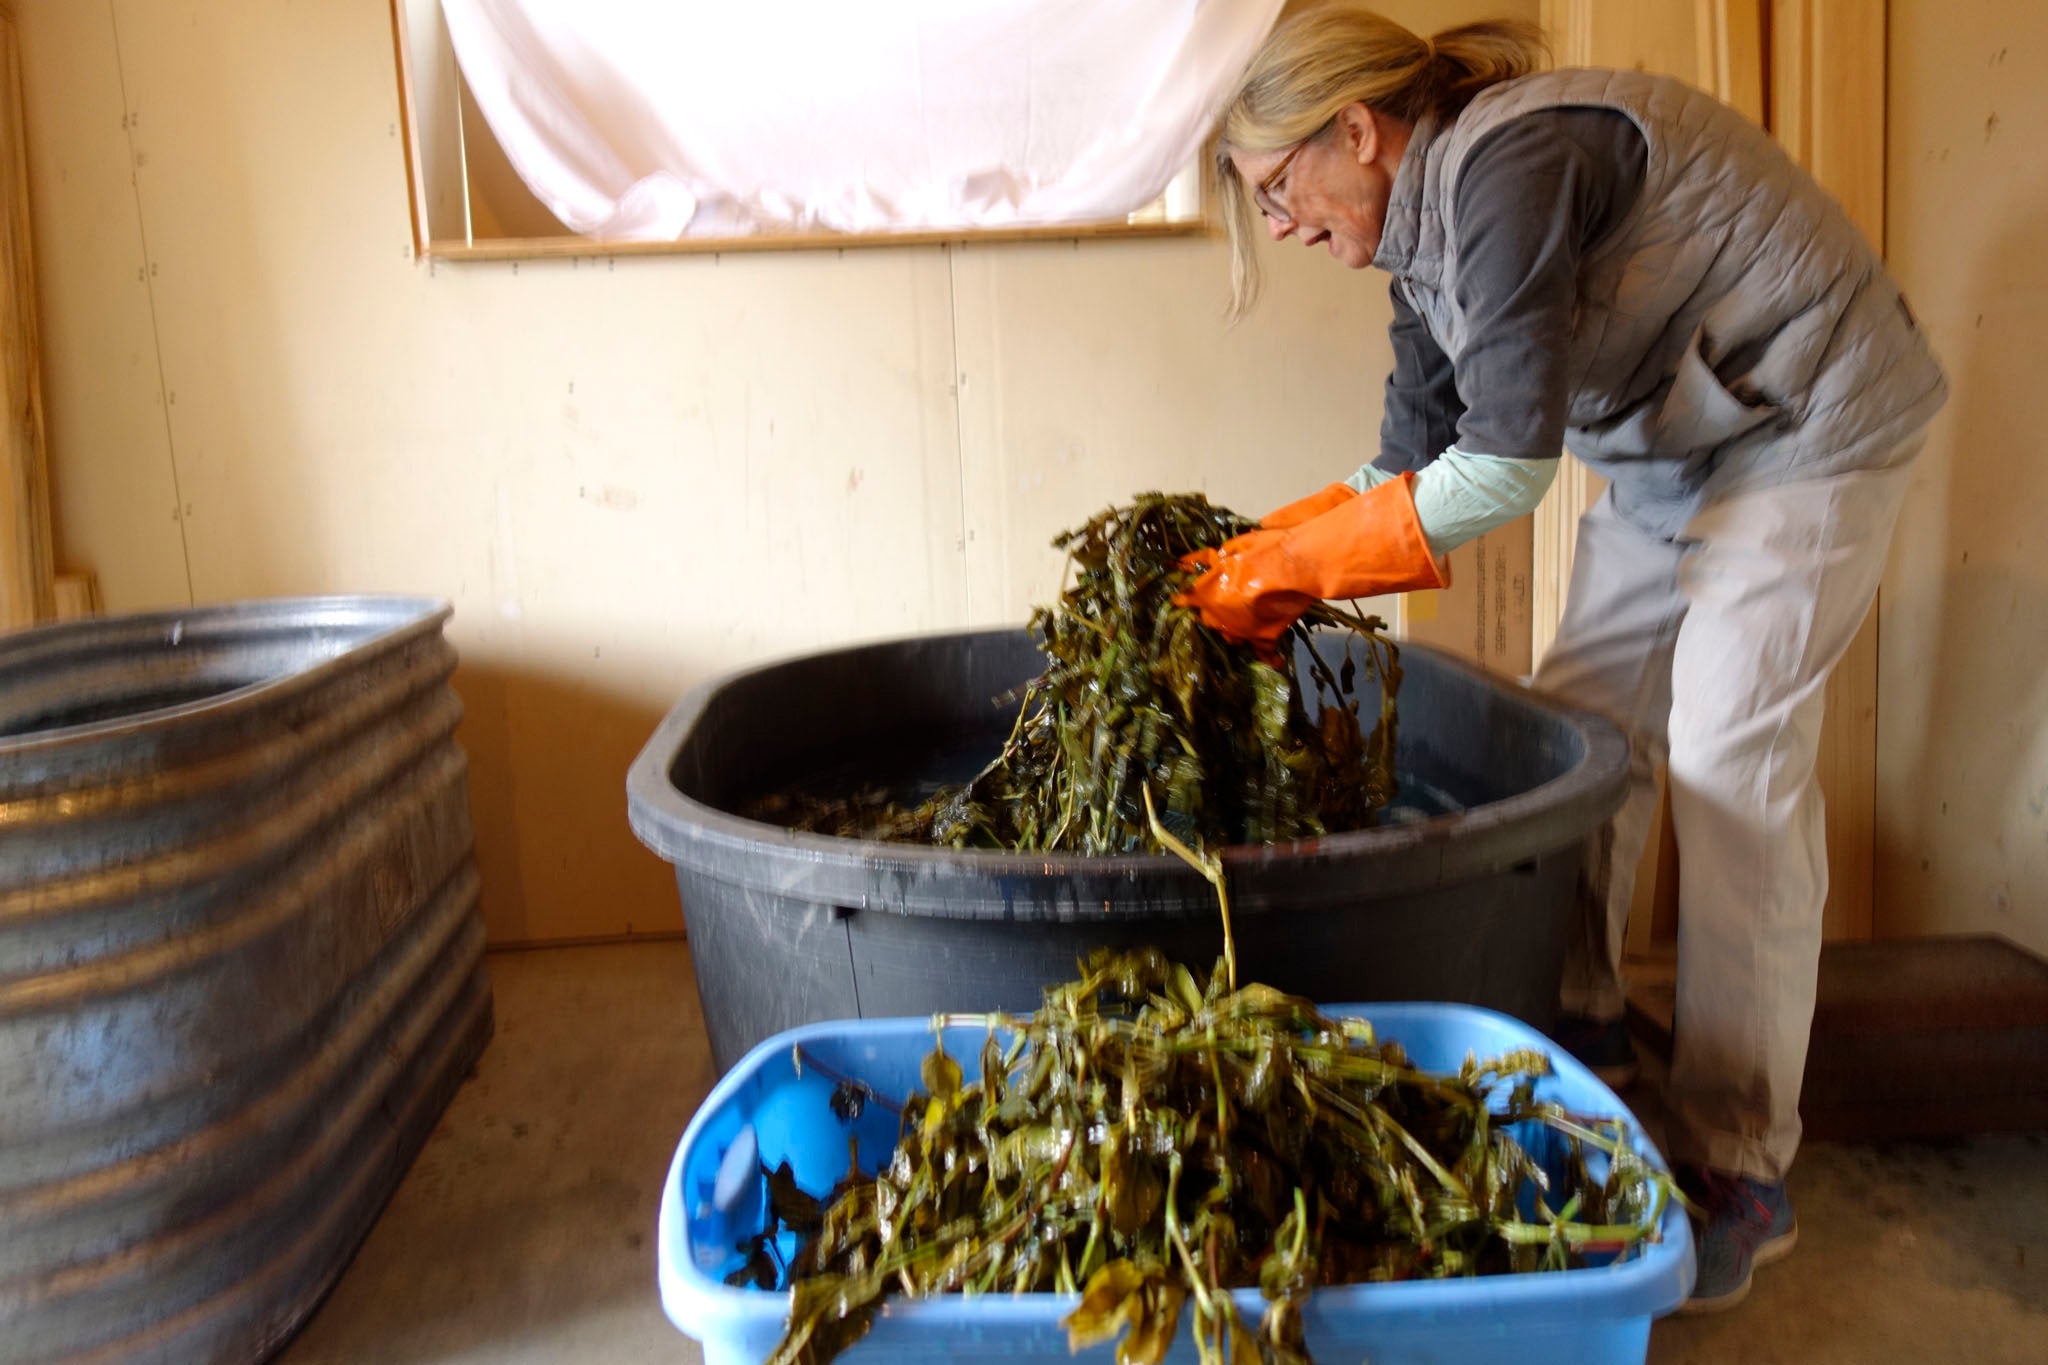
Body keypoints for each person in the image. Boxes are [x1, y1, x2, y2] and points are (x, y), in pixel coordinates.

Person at [1178, 3, 1946, 1313]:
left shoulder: (1508, 166)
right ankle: (1584, 1023)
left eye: (1276, 187)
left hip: (1807, 421)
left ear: (1356, 132)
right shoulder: (1416, 246)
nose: (1286, 222)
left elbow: (1506, 473)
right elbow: (1409, 473)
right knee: (1577, 743)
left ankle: (1740, 1159)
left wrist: (1296, 571)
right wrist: (1258, 552)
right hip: (1676, 452)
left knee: (1725, 759)